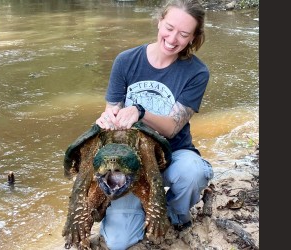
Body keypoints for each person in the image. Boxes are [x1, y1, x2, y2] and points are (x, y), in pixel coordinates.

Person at [95, 0, 214, 249]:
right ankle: (126, 207)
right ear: (159, 21)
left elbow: (172, 127)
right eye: (169, 28)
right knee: (118, 243)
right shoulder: (126, 61)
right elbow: (112, 111)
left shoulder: (197, 72)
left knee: (194, 172)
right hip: (131, 160)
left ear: (193, 37)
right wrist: (107, 119)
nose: (173, 38)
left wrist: (139, 111)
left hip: (173, 155)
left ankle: (172, 213)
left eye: (183, 34)